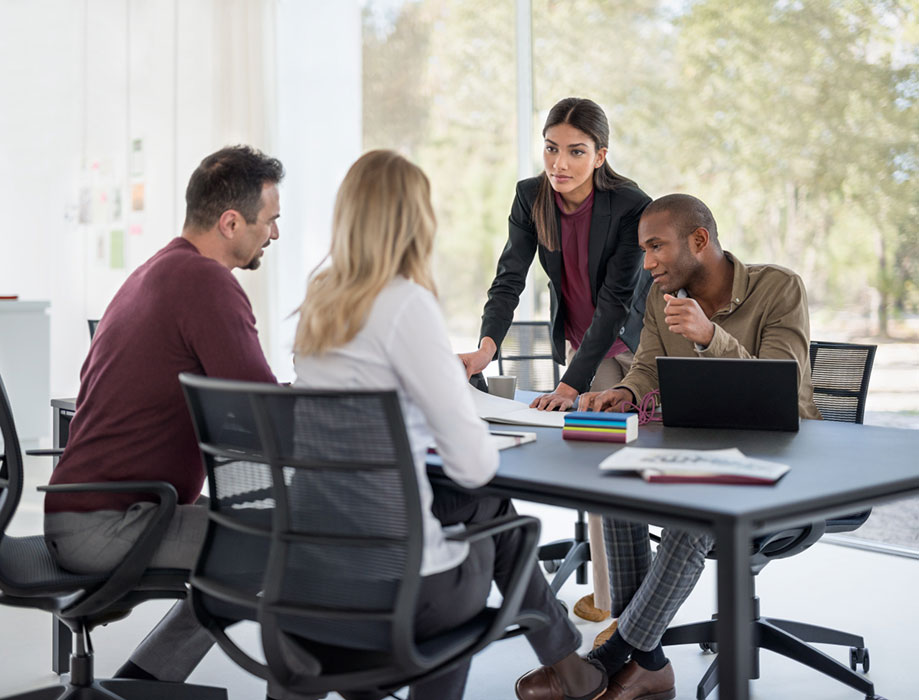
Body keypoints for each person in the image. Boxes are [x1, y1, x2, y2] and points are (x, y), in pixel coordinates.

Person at [293, 150, 608, 700]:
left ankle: (572, 671)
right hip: (404, 588)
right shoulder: (405, 304)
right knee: (503, 521)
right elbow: (474, 464)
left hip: (315, 575)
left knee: (484, 511)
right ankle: (572, 670)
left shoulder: (318, 304)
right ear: (416, 222)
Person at [560, 193, 821, 700]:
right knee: (615, 488)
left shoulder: (779, 288)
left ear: (699, 241)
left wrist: (710, 336)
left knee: (693, 515)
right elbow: (647, 366)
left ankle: (613, 656)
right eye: (643, 249)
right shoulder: (664, 297)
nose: (647, 261)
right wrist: (624, 392)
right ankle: (649, 660)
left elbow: (784, 391)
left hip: (788, 470)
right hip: (703, 453)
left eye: (656, 246)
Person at [44, 145, 283, 685]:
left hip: (86, 510)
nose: (273, 235)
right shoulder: (206, 282)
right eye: (270, 221)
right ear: (230, 221)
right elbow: (260, 413)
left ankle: (141, 684)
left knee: (253, 533)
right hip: (109, 524)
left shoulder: (156, 271)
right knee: (281, 542)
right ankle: (144, 686)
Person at [458, 96, 652, 622]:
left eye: (575, 151)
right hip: (577, 336)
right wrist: (485, 348)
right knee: (593, 457)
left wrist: (570, 385)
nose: (558, 163)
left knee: (606, 457)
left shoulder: (632, 205)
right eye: (550, 149)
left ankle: (622, 603)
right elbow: (509, 279)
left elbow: (615, 304)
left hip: (628, 342)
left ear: (600, 155)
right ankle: (614, 596)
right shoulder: (531, 197)